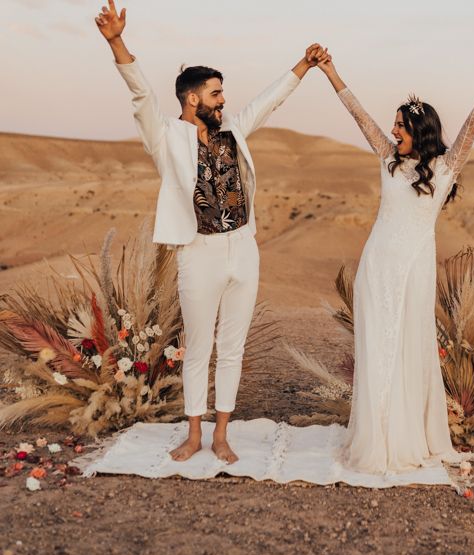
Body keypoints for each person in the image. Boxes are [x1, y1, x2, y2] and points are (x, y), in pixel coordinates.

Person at [94, 1, 328, 463]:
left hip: (243, 249)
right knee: (198, 347)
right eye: (217, 93)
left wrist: (304, 65)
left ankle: (223, 434)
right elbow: (141, 95)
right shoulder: (166, 139)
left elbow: (268, 100)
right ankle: (195, 433)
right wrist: (117, 41)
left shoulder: (233, 132)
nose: (224, 100)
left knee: (232, 347)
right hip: (197, 252)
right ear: (192, 99)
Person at [316, 46, 474, 474]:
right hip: (377, 267)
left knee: (408, 349)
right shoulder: (388, 160)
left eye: (400, 125)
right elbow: (359, 116)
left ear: (419, 128)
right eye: (394, 124)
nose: (393, 130)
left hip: (414, 270)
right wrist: (330, 71)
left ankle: (405, 433)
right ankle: (376, 434)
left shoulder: (446, 167)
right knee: (377, 348)